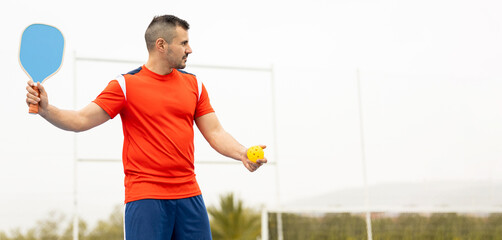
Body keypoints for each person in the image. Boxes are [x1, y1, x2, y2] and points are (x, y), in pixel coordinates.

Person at [25, 15, 267, 240]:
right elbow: (79, 120)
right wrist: (47, 109)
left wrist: (242, 153)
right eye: (183, 43)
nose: (189, 49)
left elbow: (215, 132)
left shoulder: (195, 85)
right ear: (161, 45)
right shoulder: (125, 85)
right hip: (146, 198)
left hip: (189, 195)